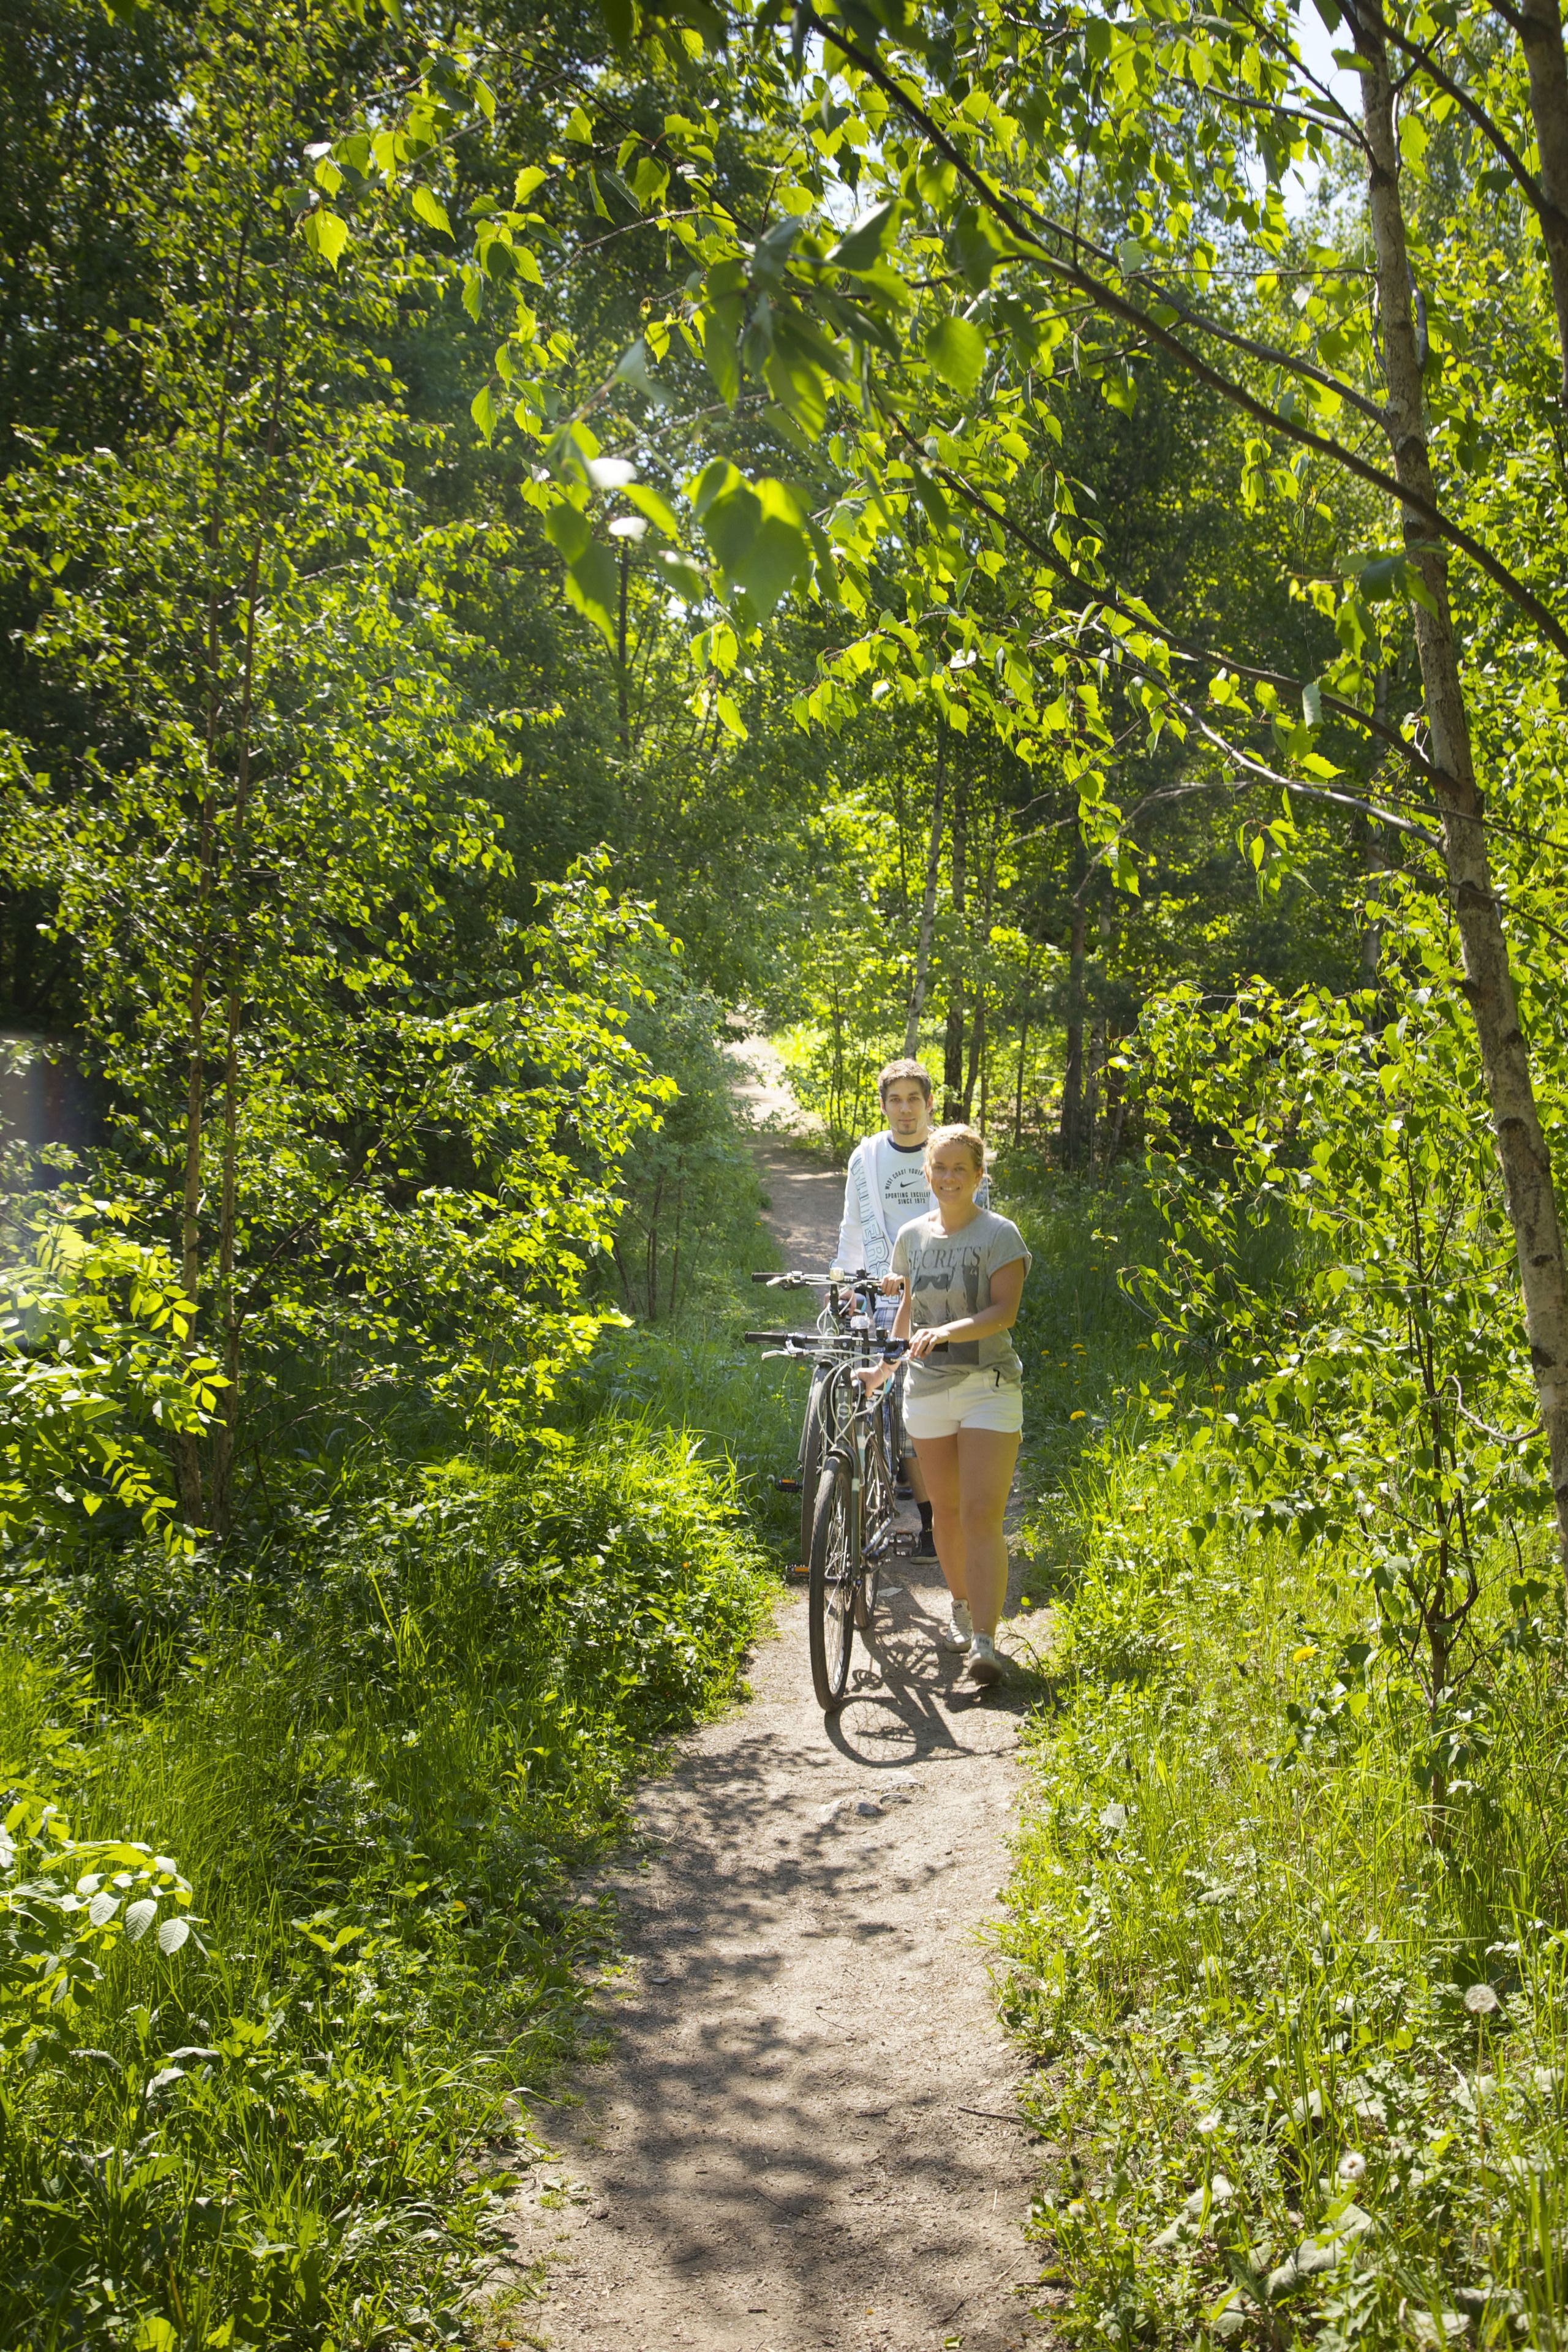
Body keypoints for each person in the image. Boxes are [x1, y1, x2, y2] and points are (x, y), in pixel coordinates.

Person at [877, 1124, 1030, 1687]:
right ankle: (962, 1609)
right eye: (939, 1168)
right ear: (927, 1173)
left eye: (959, 1169)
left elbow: (1004, 1312)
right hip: (927, 1390)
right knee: (943, 1514)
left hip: (988, 1384)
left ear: (978, 1176)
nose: (948, 1178)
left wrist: (945, 1333)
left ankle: (987, 1643)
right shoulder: (912, 1237)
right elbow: (907, 1314)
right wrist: (886, 1367)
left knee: (980, 1513)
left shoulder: (1000, 1235)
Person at [834, 1058, 979, 1556]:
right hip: (884, 1288)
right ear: (883, 1106)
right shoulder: (867, 1157)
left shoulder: (949, 1154)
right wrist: (846, 1279)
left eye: (914, 1099)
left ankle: (936, 1520)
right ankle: (898, 1496)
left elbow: (978, 1219)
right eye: (895, 1100)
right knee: (873, 1387)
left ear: (930, 1103)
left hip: (943, 1292)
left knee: (926, 1411)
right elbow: (854, 1226)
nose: (905, 1110)